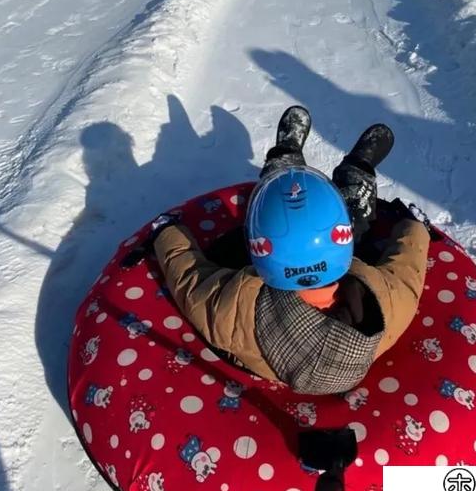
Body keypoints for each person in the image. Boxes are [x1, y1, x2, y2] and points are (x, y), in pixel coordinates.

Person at [149, 106, 430, 396]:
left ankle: (283, 163)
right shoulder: (385, 308)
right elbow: (407, 272)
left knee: (277, 212)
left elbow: (190, 279)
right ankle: (357, 174)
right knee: (350, 219)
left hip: (267, 312)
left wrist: (165, 233)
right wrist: (415, 227)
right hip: (335, 269)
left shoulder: (235, 310)